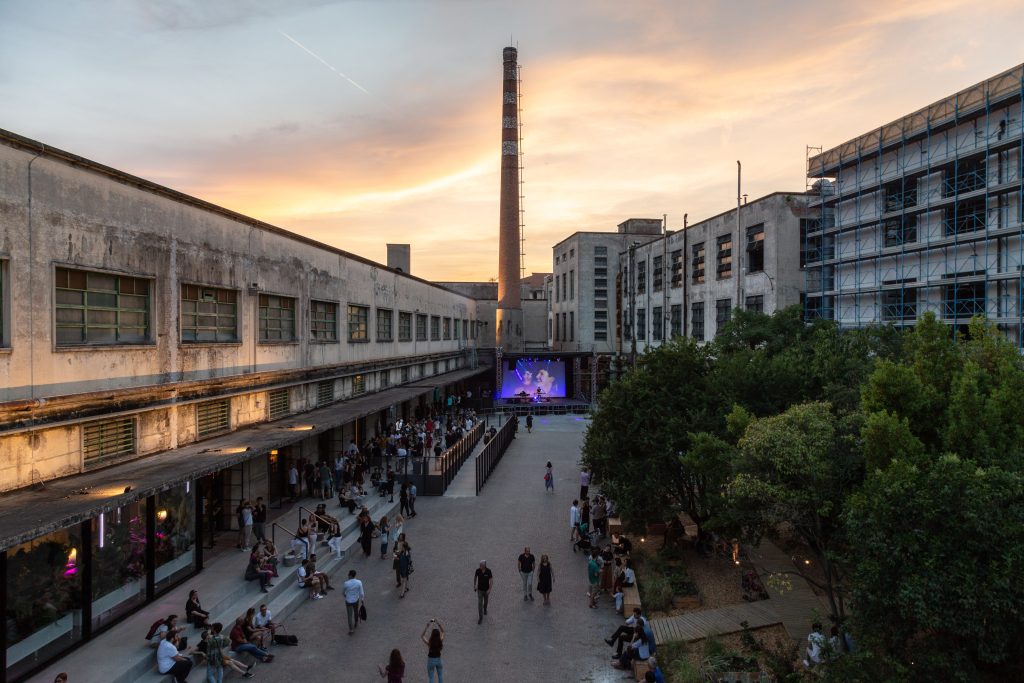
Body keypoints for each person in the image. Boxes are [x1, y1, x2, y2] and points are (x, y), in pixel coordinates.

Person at [344, 569, 365, 635]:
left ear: (350, 575)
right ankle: (356, 621)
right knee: (356, 611)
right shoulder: (359, 582)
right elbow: (361, 592)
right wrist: (362, 599)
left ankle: (351, 629)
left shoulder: (346, 583)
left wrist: (346, 596)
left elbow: (343, 592)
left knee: (349, 616)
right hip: (356, 600)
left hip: (348, 601)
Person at [474, 560, 493, 624]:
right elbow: (475, 577)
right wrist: (475, 585)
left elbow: (491, 580)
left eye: (481, 565)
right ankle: (480, 617)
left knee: (486, 602)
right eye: (480, 565)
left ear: (484, 566)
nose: (480, 566)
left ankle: (485, 608)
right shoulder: (478, 570)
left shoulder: (489, 571)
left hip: (486, 590)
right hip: (479, 590)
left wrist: (489, 589)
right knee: (479, 603)